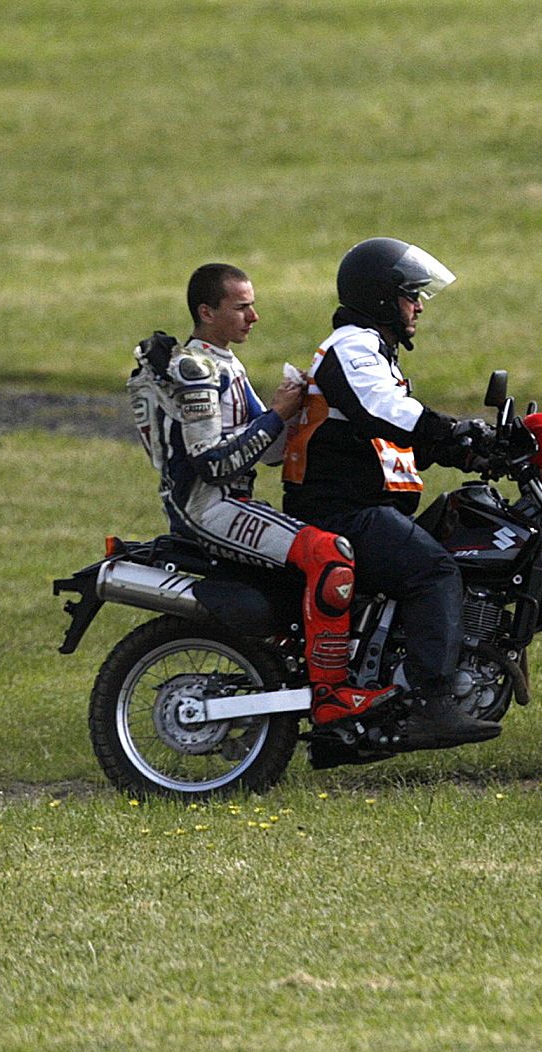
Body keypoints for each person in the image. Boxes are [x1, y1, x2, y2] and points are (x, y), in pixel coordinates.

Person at [129, 263, 396, 726]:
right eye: (242, 307)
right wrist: (276, 415)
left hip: (231, 503)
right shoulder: (196, 370)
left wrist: (306, 408)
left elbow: (269, 451)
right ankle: (331, 693)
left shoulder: (225, 363)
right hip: (207, 508)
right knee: (330, 555)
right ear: (206, 312)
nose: (253, 317)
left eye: (253, 305)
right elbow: (212, 463)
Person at [281, 237, 502, 749]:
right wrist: (455, 431)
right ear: (381, 299)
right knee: (434, 570)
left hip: (364, 507)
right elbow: (383, 411)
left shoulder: (374, 353)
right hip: (343, 514)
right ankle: (431, 702)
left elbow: (393, 439)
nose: (419, 306)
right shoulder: (351, 348)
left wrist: (473, 452)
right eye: (410, 296)